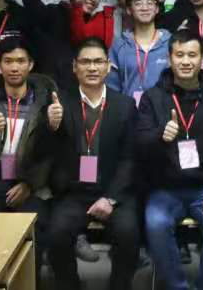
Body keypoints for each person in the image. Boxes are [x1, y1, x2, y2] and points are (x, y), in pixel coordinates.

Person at [137, 30, 203, 290]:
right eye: (179, 55)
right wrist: (160, 136)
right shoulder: (152, 97)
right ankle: (177, 285)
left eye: (192, 55)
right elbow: (139, 144)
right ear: (170, 58)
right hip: (164, 189)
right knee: (156, 223)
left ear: (202, 58)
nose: (185, 61)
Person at [48, 38, 140, 290]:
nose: (92, 67)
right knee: (56, 233)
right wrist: (52, 127)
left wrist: (110, 198)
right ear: (74, 67)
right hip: (74, 191)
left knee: (129, 232)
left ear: (108, 67)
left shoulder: (125, 106)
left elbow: (130, 157)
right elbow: (48, 152)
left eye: (98, 61)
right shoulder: (59, 104)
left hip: (113, 191)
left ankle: (119, 285)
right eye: (85, 62)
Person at [0, 37, 55, 266]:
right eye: (8, 61)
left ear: (30, 64)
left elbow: (51, 154)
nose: (14, 67)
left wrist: (29, 184)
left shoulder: (46, 103)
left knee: (34, 230)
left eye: (20, 61)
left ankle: (29, 280)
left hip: (31, 182)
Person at [19, 0, 106, 92]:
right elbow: (34, 7)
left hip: (82, 89)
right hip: (50, 87)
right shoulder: (55, 12)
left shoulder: (94, 23)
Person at [107, 0, 172, 104]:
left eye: (150, 3)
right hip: (129, 110)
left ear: (157, 9)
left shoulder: (170, 42)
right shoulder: (119, 45)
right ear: (129, 10)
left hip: (164, 110)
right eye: (138, 3)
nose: (144, 8)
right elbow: (112, 87)